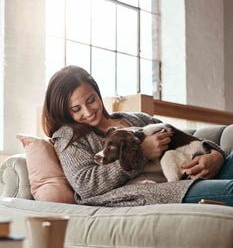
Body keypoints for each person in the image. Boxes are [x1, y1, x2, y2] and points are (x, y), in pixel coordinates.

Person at [42, 65, 233, 207]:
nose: (88, 111)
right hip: (157, 190)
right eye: (76, 109)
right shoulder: (68, 136)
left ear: (97, 93)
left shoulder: (135, 118)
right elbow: (86, 185)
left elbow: (181, 136)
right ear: (65, 112)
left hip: (190, 171)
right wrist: (142, 153)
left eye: (91, 100)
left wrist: (215, 155)